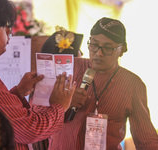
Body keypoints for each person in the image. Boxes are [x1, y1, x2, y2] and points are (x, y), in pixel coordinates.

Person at [0, 0, 76, 149]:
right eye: (4, 26)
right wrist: (59, 106)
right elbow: (28, 130)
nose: (9, 32)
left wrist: (18, 91)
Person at [38, 17, 158, 150]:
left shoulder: (133, 84)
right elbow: (34, 113)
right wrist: (61, 104)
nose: (98, 53)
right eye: (94, 45)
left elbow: (146, 140)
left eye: (107, 48)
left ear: (122, 49)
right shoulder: (69, 68)